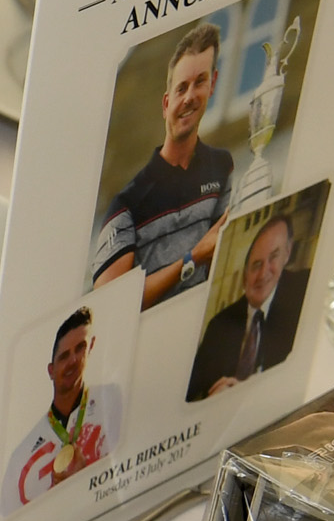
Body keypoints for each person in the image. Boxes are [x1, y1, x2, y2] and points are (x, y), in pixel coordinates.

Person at [92, 23, 231, 309]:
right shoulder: (127, 203)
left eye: (200, 82)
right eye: (182, 88)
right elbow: (106, 307)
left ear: (213, 84)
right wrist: (192, 258)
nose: (190, 96)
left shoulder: (221, 166)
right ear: (166, 103)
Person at [1, 310, 123, 516]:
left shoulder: (113, 399)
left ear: (90, 348)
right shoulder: (20, 457)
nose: (73, 360)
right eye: (64, 356)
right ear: (51, 370)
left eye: (80, 349)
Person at [187, 215, 306, 401]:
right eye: (256, 265)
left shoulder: (303, 292)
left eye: (274, 257)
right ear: (244, 277)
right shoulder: (219, 325)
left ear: (287, 254)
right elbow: (191, 390)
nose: (263, 273)